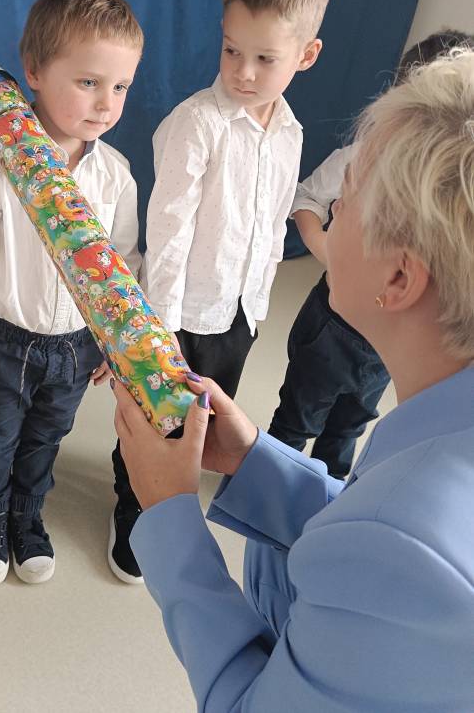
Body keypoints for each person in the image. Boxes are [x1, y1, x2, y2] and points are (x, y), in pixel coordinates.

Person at [113, 49, 474, 710]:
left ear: (398, 277)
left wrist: (168, 513)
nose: (328, 210)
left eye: (346, 197)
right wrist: (254, 460)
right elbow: (367, 553)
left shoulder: (415, 539)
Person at [108, 0, 331, 585]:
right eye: (232, 50)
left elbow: (270, 224)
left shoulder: (289, 132)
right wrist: (160, 329)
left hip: (239, 310)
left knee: (207, 417)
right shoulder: (196, 124)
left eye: (265, 58)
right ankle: (135, 507)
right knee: (158, 418)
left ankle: (178, 496)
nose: (244, 72)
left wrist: (257, 303)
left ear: (306, 56)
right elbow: (169, 232)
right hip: (181, 314)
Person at [0, 0, 143, 586]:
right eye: (89, 82)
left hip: (75, 346)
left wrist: (113, 343)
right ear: (35, 72)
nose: (106, 104)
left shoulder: (115, 176)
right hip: (5, 341)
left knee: (47, 437)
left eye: (120, 87)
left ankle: (27, 515)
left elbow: (122, 265)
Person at [268, 29, 474, 478]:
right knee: (296, 420)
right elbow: (309, 199)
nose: (340, 207)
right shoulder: (360, 156)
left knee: (347, 430)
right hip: (332, 331)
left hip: (380, 351)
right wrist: (325, 249)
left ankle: (324, 491)